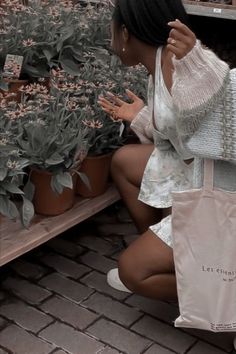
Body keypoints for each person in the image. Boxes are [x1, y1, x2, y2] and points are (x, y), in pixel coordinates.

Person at [98, 0, 234, 301]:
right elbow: (182, 133)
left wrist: (200, 64)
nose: (110, 41)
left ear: (125, 33)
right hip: (196, 170)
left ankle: (225, 298)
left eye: (112, 29)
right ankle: (170, 256)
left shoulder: (181, 69)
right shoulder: (160, 63)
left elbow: (220, 109)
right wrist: (142, 118)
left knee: (133, 271)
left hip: (220, 191)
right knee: (124, 162)